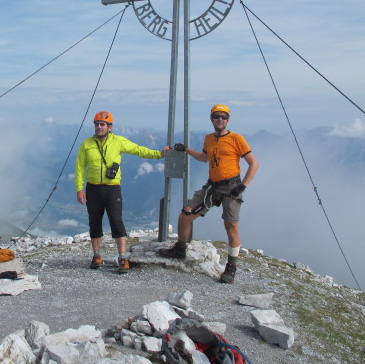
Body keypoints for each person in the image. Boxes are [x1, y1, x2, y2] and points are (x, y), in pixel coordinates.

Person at [159, 104, 259, 284]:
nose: (220, 120)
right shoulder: (209, 139)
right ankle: (180, 249)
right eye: (216, 116)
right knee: (185, 215)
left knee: (231, 226)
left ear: (228, 119)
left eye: (223, 117)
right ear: (211, 118)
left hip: (232, 187)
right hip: (212, 187)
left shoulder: (237, 139)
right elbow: (204, 158)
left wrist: (242, 186)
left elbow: (253, 164)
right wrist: (186, 150)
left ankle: (231, 267)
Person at [75, 111, 170, 274]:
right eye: (97, 124)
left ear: (109, 127)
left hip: (112, 188)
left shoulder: (118, 141)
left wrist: (158, 155)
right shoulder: (86, 144)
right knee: (94, 222)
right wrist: (79, 189)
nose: (99, 127)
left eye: (102, 124)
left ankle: (122, 258)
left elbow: (138, 150)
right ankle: (97, 256)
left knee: (116, 221)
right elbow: (79, 167)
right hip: (93, 188)